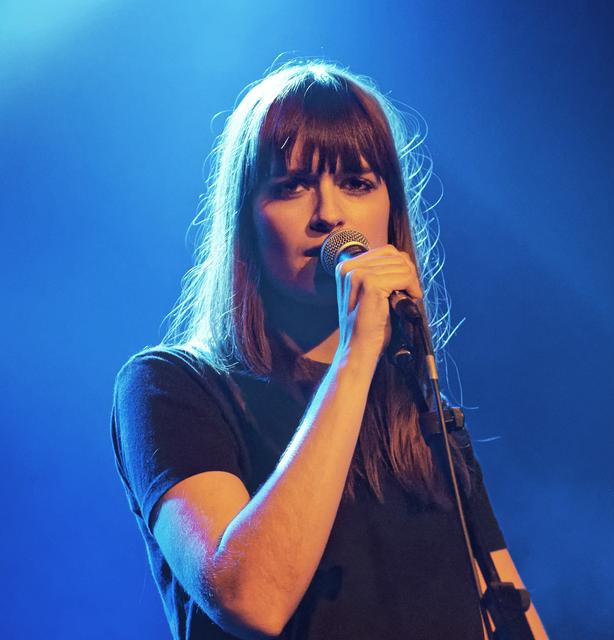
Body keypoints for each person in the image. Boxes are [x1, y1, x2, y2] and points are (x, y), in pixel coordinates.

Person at [111, 60, 547, 640]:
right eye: (291, 187)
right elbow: (251, 599)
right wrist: (357, 353)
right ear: (247, 220)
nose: (329, 215)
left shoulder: (415, 403)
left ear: (390, 214)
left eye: (357, 183)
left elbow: (503, 606)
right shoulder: (169, 387)